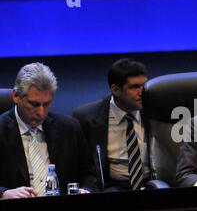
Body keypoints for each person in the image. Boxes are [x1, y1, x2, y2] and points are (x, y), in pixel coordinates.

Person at [0, 63, 97, 199]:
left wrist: (85, 190)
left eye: (46, 104)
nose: (41, 112)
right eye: (34, 104)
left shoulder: (69, 128)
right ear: (16, 96)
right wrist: (3, 193)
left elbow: (89, 173)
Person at [73, 58, 151, 191]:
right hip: (111, 190)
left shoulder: (156, 113)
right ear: (116, 90)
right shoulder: (87, 118)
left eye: (145, 86)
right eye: (134, 87)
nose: (142, 92)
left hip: (151, 185)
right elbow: (84, 168)